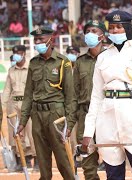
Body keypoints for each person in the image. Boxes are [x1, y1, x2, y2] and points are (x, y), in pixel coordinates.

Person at [82, 11, 132, 179]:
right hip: (107, 122)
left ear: (128, 28)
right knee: (113, 175)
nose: (115, 31)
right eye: (111, 27)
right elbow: (96, 98)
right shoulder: (102, 58)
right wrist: (88, 132)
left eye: (119, 27)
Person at [17, 27, 76, 179]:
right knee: (42, 158)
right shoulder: (33, 63)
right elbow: (28, 94)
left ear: (51, 40)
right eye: (36, 40)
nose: (38, 43)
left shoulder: (63, 62)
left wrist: (69, 123)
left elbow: (70, 95)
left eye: (41, 39)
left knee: (63, 158)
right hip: (37, 115)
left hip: (55, 115)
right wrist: (23, 121)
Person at [72, 20, 106, 179]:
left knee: (113, 156)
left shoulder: (110, 57)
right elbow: (75, 93)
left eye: (94, 30)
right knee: (87, 161)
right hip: (85, 115)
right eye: (87, 31)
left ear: (102, 36)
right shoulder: (80, 62)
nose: (90, 34)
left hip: (107, 114)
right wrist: (73, 119)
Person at [2, 45, 38, 172]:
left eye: (19, 52)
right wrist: (2, 106)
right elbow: (7, 90)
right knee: (16, 135)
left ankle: (37, 160)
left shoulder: (31, 68)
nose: (16, 54)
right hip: (13, 104)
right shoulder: (11, 70)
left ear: (24, 54)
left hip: (27, 104)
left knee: (32, 133)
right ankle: (23, 160)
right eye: (14, 52)